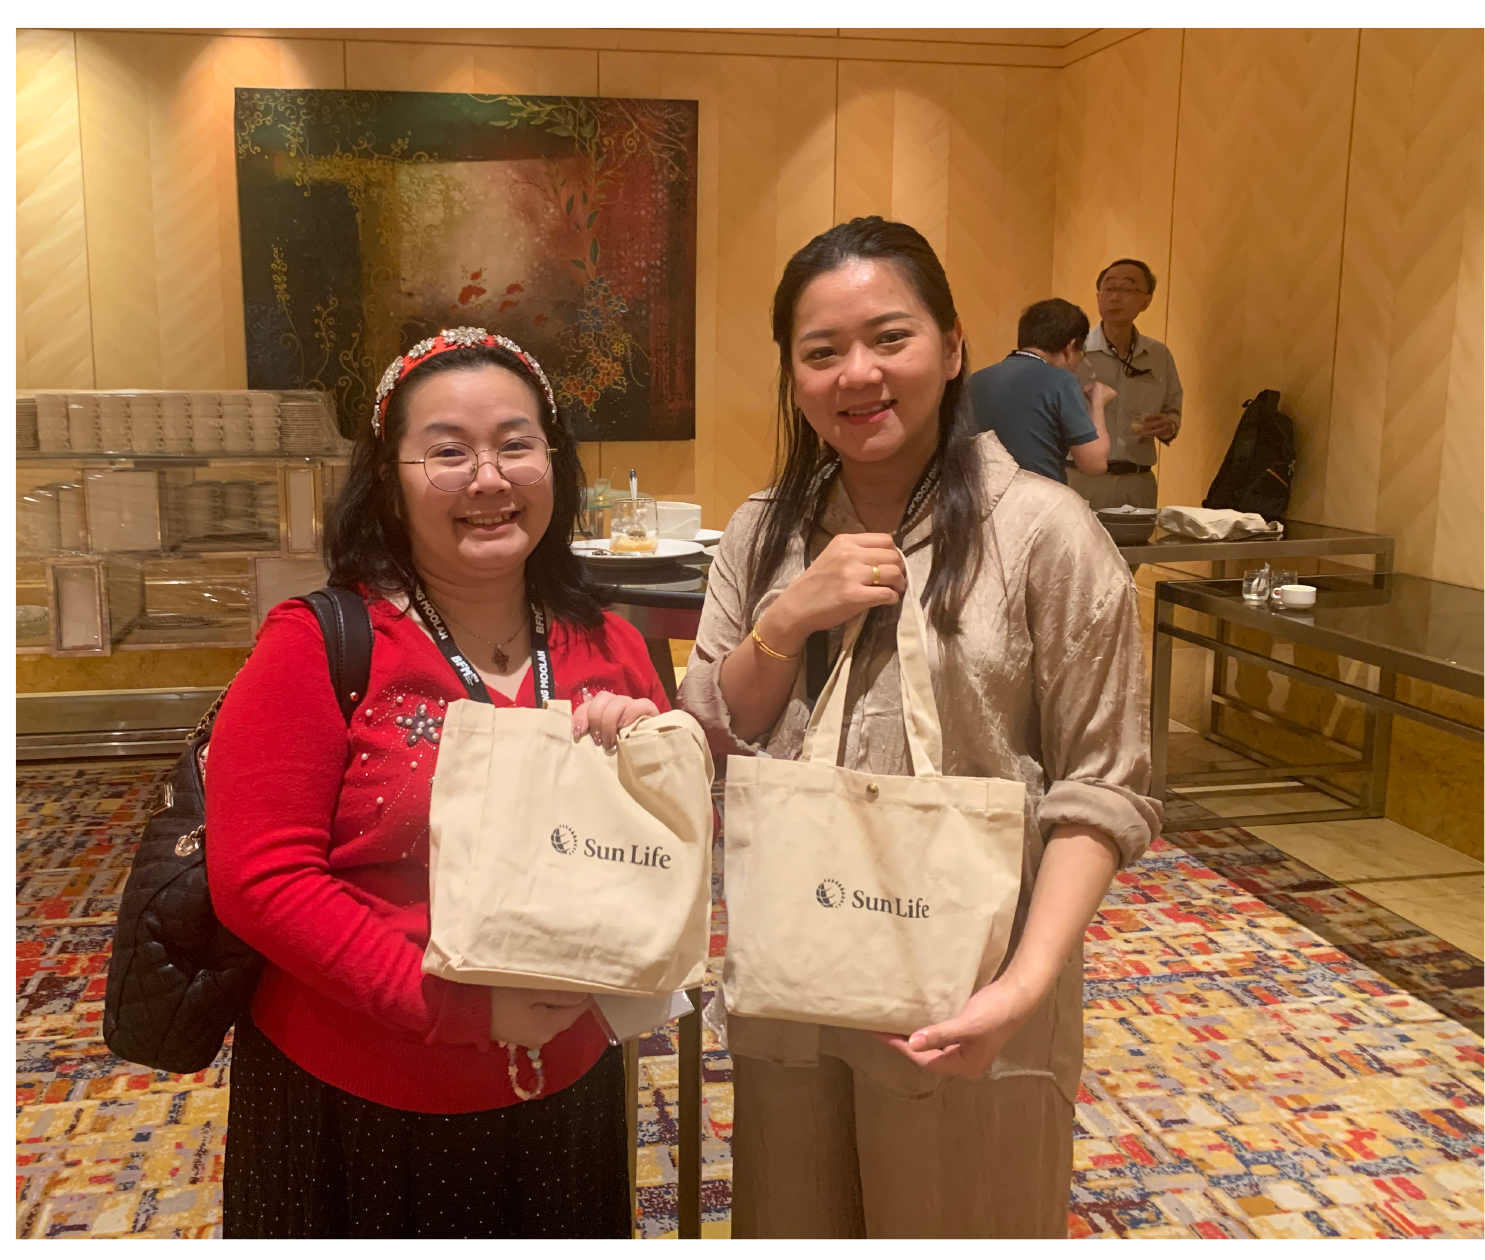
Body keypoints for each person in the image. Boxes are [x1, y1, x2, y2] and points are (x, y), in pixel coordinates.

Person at [679, 218, 1160, 1238]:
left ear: (950, 348)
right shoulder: (763, 532)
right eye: (822, 351)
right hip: (800, 965)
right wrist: (787, 618)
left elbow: (1103, 787)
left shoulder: (1044, 533)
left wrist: (1023, 987)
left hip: (974, 978)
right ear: (793, 374)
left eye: (889, 338)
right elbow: (716, 731)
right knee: (793, 1214)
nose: (858, 374)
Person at [205, 327, 669, 1238]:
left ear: (553, 461)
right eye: (448, 452)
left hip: (568, 1085)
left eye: (515, 444)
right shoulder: (320, 643)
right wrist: (459, 1007)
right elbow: (261, 880)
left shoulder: (609, 643)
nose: (488, 479)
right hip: (365, 1099)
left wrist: (653, 760)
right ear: (389, 480)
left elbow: (664, 849)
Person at [1068, 257, 1183, 511]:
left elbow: (1173, 410)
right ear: (1098, 297)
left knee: (1139, 539)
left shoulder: (1159, 355)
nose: (1115, 297)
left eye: (1127, 289)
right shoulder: (1074, 352)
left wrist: (1169, 426)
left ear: (1146, 300)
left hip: (1138, 482)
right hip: (1080, 481)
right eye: (1109, 288)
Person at [967, 297, 1115, 483]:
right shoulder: (1061, 381)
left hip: (981, 492)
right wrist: (1098, 403)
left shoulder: (976, 380)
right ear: (1070, 347)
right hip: (1038, 496)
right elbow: (1094, 464)